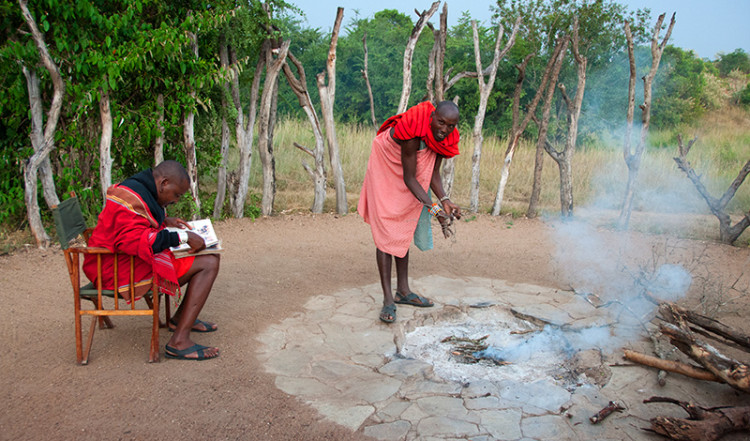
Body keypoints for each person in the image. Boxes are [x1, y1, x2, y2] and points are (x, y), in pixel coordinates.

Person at [83, 160, 221, 360]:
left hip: (122, 260)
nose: (175, 200)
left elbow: (140, 221)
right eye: (176, 195)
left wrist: (165, 221)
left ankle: (180, 319)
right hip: (116, 269)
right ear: (164, 183)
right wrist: (183, 237)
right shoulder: (129, 199)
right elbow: (134, 241)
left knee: (208, 256)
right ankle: (179, 341)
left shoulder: (139, 189)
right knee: (209, 263)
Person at [358, 100, 462, 323]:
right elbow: (410, 178)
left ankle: (403, 291)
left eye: (451, 126)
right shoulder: (414, 132)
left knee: (405, 221)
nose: (444, 129)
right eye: (441, 122)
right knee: (387, 228)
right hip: (387, 160)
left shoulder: (446, 139)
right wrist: (435, 210)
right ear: (432, 117)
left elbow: (432, 174)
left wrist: (445, 201)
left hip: (408, 168)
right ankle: (388, 299)